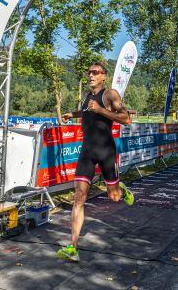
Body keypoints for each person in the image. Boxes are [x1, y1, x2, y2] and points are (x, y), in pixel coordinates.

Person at [57, 62, 134, 263]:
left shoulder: (110, 95)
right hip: (87, 153)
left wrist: (100, 110)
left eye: (95, 72)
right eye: (89, 72)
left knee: (114, 197)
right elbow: (87, 112)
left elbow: (126, 119)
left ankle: (122, 190)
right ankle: (73, 247)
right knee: (79, 196)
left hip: (106, 152)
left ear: (103, 76)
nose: (90, 75)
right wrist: (72, 114)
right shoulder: (86, 96)